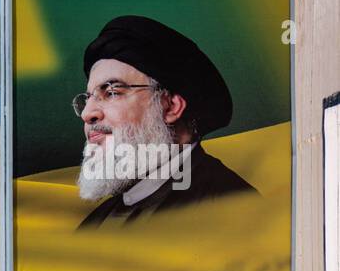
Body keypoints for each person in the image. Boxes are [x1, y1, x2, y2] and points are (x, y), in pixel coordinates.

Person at [75, 15, 258, 228]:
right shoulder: (97, 221)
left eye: (112, 92)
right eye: (88, 98)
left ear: (171, 107)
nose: (87, 113)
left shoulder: (234, 208)